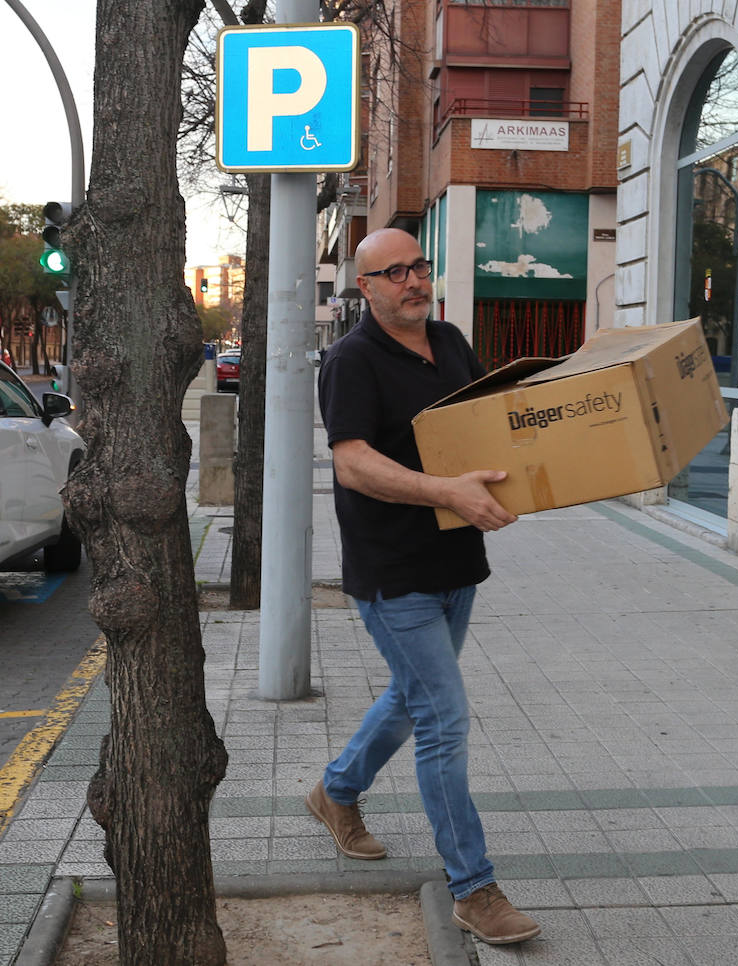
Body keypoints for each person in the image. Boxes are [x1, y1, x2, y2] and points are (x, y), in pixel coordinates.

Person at [308, 228, 540, 946]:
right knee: (443, 718)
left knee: (413, 701)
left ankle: (336, 790)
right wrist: (448, 490)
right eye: (393, 271)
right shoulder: (351, 362)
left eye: (419, 265)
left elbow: (482, 425)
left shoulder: (451, 341)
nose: (412, 280)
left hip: (456, 563)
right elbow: (352, 464)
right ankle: (472, 888)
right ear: (366, 287)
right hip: (391, 571)